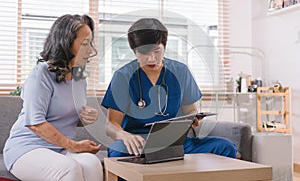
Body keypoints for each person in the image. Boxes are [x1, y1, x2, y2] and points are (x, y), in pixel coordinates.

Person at [101, 18, 237, 159]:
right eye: (144, 53)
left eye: (157, 51)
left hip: (174, 143)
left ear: (164, 47)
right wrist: (124, 135)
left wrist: (193, 119)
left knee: (225, 147)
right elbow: (111, 125)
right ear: (134, 51)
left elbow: (190, 110)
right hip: (138, 144)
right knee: (118, 153)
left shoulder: (181, 72)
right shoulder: (123, 77)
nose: (151, 58)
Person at [3, 14, 103, 181]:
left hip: (60, 149)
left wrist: (86, 118)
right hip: (27, 148)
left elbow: (70, 117)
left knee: (92, 164)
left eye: (90, 43)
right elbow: (36, 123)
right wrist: (74, 146)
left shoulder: (79, 76)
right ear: (66, 44)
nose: (91, 50)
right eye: (85, 43)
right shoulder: (42, 73)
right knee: (69, 169)